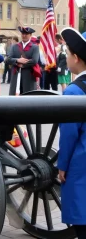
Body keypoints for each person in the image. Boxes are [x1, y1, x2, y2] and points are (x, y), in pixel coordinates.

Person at [57, 27, 86, 239]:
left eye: (67, 54)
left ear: (76, 58)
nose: (66, 58)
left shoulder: (73, 91)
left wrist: (62, 166)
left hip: (81, 163)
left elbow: (68, 136)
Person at [7, 27, 40, 95]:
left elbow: (34, 61)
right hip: (16, 75)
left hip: (29, 76)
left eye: (26, 34)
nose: (24, 35)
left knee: (28, 97)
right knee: (14, 97)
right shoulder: (14, 46)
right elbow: (8, 59)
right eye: (22, 34)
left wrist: (22, 64)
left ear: (30, 35)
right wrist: (17, 60)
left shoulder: (35, 47)